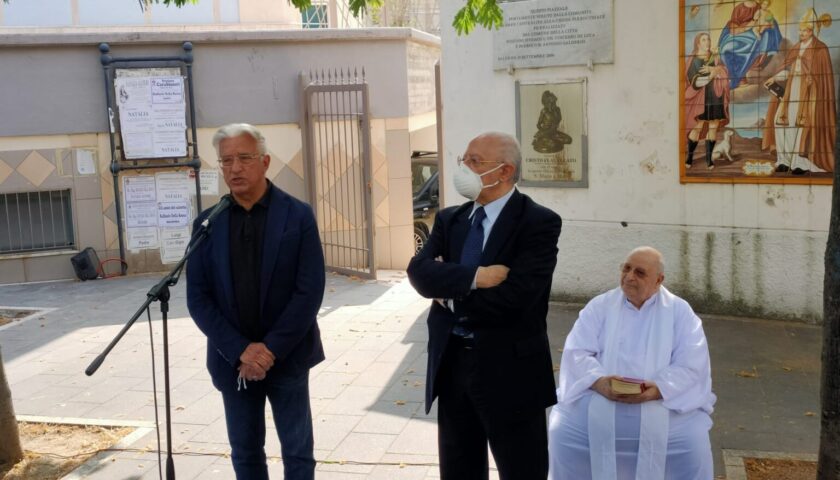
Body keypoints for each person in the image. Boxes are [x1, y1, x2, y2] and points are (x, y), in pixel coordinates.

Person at [407, 132, 562, 479]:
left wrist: (447, 295)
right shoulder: (451, 219)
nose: (464, 167)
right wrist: (474, 277)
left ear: (505, 171)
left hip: (511, 373)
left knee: (523, 469)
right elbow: (419, 272)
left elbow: (517, 298)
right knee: (459, 470)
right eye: (464, 159)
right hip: (453, 368)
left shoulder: (538, 223)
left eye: (475, 162)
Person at [186, 123, 325, 480]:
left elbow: (309, 291)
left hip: (289, 355)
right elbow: (198, 298)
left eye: (244, 158)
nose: (234, 168)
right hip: (232, 360)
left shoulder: (298, 215)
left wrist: (268, 350)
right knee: (245, 453)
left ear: (264, 162)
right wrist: (241, 350)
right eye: (226, 160)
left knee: (297, 452)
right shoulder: (207, 223)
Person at [548, 247, 715, 480]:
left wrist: (658, 388)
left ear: (659, 280)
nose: (629, 276)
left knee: (693, 442)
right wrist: (599, 381)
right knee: (561, 431)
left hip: (662, 401)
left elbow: (692, 364)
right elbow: (577, 352)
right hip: (600, 396)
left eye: (639, 272)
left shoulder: (680, 312)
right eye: (626, 268)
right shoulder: (600, 305)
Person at [761, 8, 836, 175]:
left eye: (804, 30)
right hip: (791, 92)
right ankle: (784, 160)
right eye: (800, 30)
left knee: (800, 126)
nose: (801, 33)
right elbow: (788, 69)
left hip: (809, 96)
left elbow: (822, 79)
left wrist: (808, 75)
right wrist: (775, 78)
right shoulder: (796, 48)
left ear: (812, 31)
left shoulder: (820, 49)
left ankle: (800, 163)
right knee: (780, 123)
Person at [685, 32, 730, 170]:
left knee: (713, 128)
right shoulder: (693, 60)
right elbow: (695, 83)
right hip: (701, 98)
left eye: (709, 39)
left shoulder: (715, 57)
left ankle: (709, 160)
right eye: (704, 40)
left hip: (716, 96)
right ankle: (690, 157)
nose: (708, 42)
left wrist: (716, 69)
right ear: (698, 43)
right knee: (698, 127)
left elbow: (724, 71)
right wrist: (712, 74)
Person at [718, 0, 782, 89]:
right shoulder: (738, 8)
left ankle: (741, 77)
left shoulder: (761, 7)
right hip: (740, 34)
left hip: (756, 35)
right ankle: (736, 76)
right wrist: (744, 28)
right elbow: (733, 25)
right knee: (726, 49)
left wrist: (766, 25)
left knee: (754, 46)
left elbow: (770, 21)